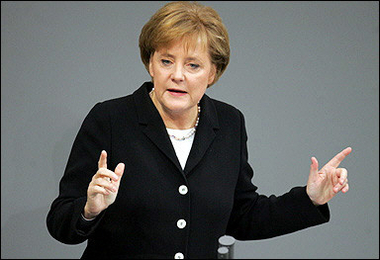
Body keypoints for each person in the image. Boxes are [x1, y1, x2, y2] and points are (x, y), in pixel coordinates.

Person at [46, 1, 352, 259]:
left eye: (193, 65)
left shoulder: (229, 123)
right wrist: (89, 210)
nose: (177, 75)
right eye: (166, 61)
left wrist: (310, 199)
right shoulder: (110, 119)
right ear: (150, 64)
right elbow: (60, 222)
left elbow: (242, 215)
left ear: (213, 72)